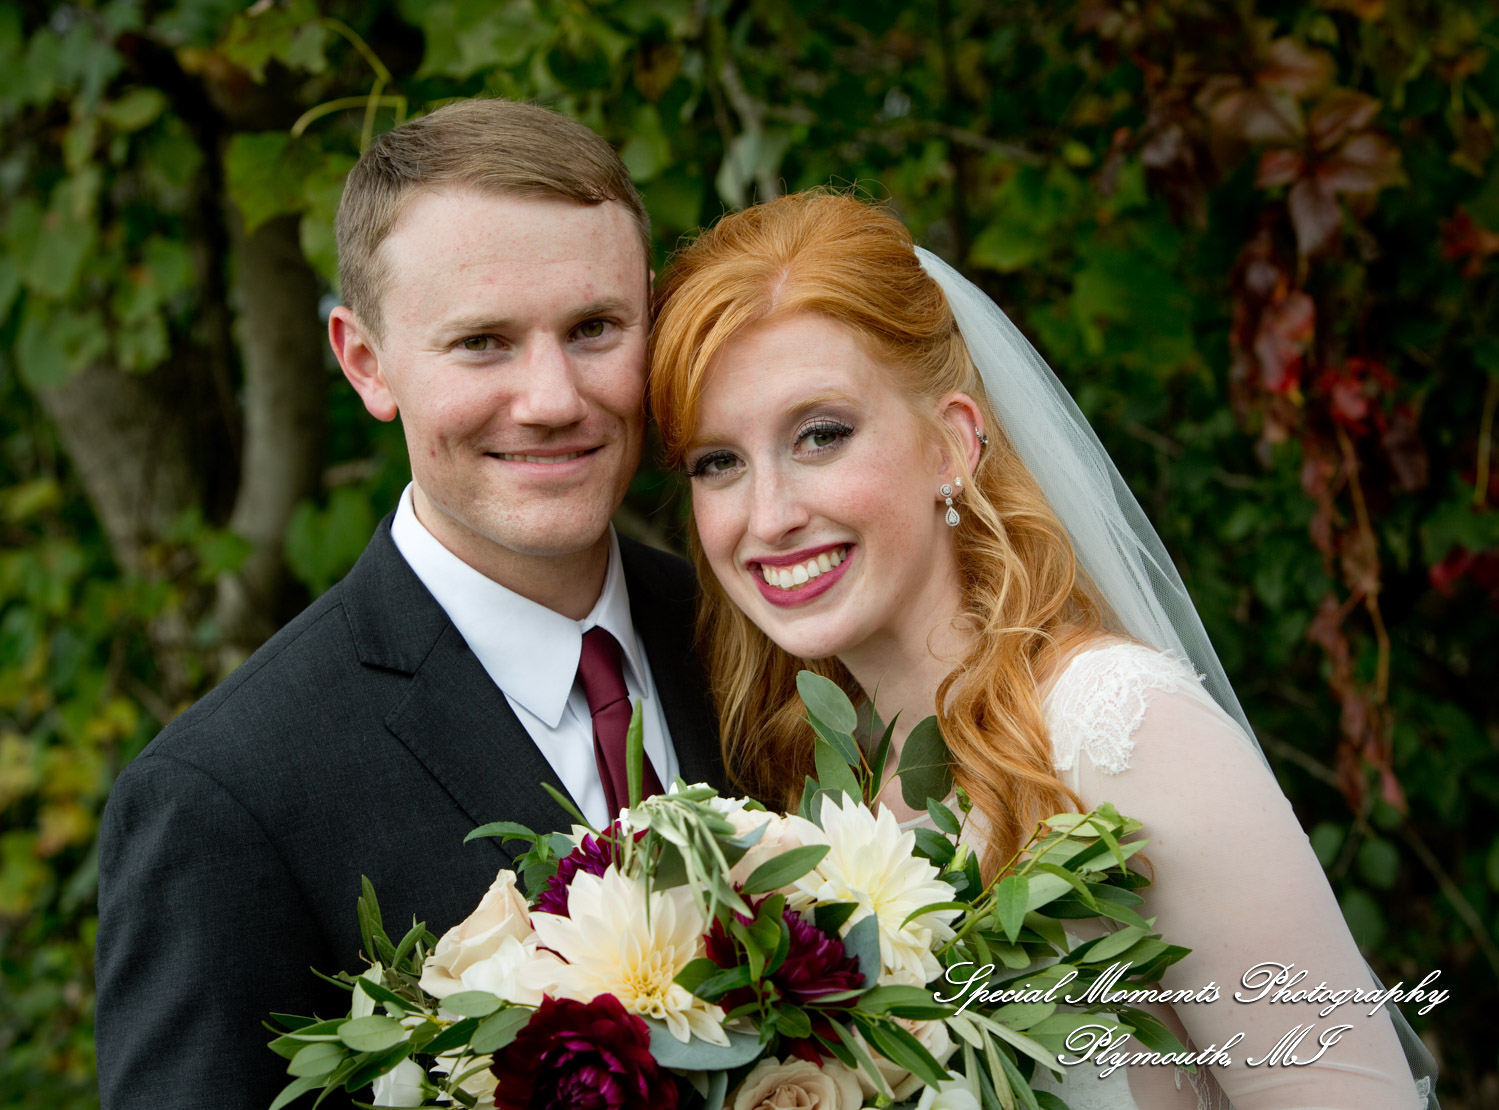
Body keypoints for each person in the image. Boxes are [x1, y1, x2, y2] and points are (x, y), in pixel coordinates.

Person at [648, 190, 1435, 1109]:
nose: (769, 515)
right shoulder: (820, 785)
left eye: (820, 435)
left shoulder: (1123, 732)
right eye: (718, 462)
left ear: (951, 442)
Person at [94, 99, 722, 1110]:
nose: (553, 395)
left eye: (595, 327)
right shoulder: (224, 800)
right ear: (365, 361)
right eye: (482, 342)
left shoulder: (746, 640)